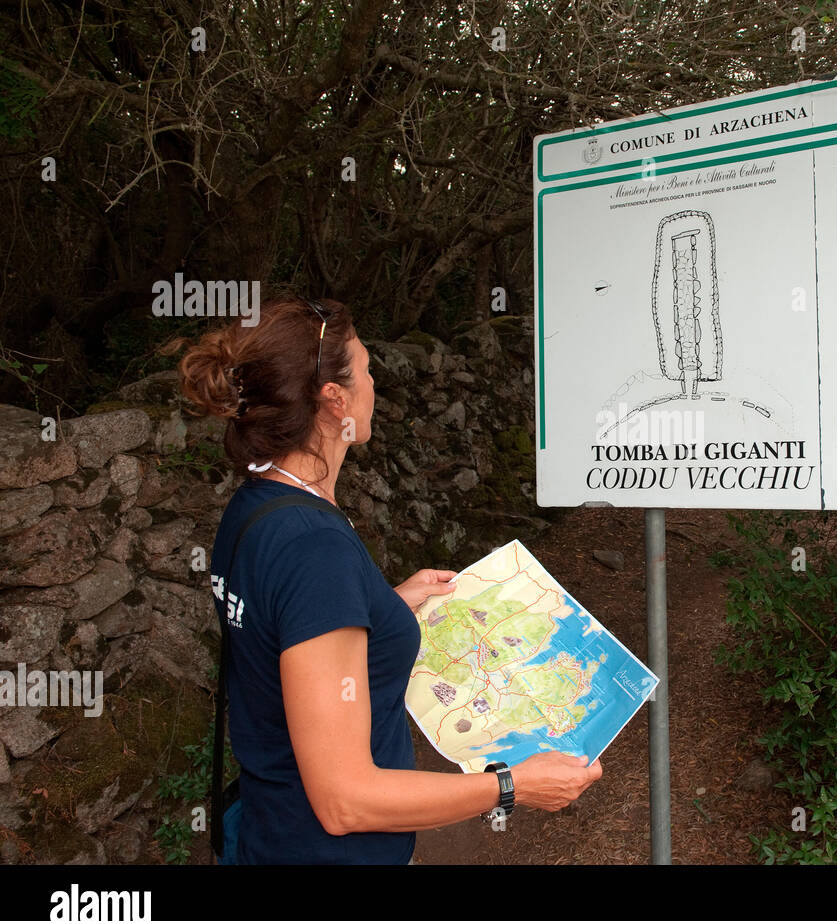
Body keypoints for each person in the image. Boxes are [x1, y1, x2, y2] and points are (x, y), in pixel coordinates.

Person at [176, 295, 601, 864]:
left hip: (269, 832)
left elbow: (288, 636)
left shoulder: (256, 507)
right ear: (335, 400)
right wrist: (512, 786)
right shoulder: (313, 547)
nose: (376, 384)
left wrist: (383, 605)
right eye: (368, 368)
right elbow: (344, 802)